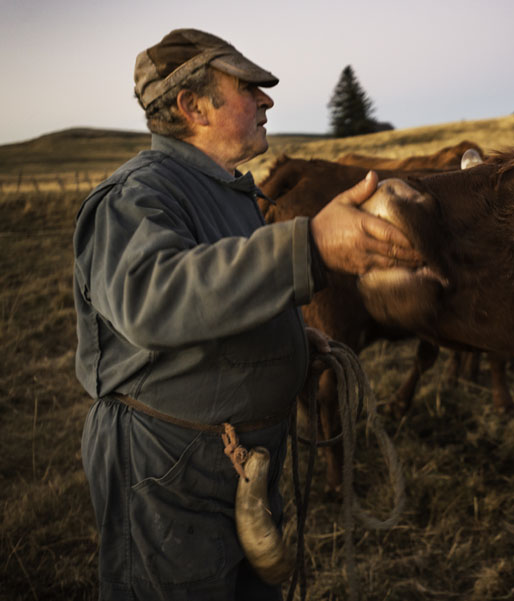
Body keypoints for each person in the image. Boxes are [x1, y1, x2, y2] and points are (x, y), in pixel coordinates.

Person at [73, 28, 420, 600]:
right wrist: (306, 247)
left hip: (234, 461)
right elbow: (152, 299)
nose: (267, 99)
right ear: (191, 106)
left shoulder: (225, 192)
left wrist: (290, 342)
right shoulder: (137, 195)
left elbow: (219, 299)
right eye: (248, 88)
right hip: (168, 471)